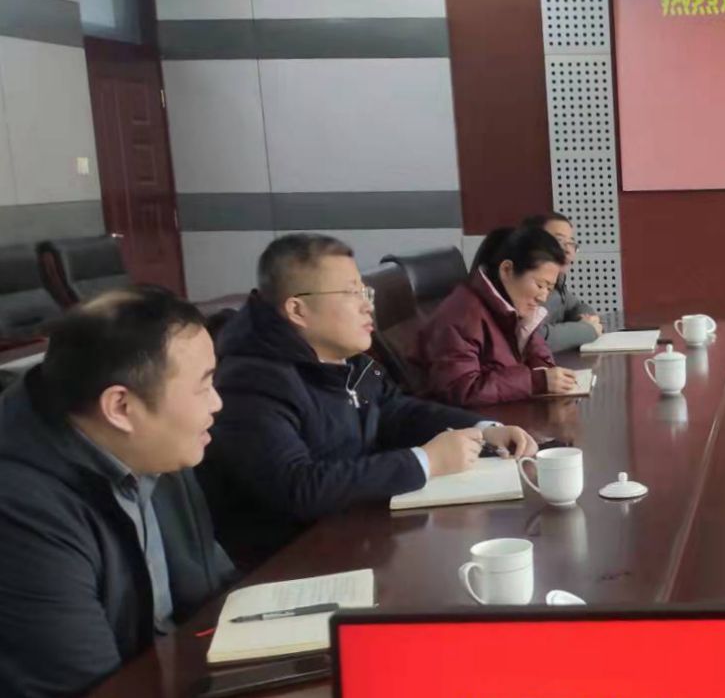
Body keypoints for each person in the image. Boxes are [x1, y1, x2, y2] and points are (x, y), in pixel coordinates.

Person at [199, 234, 537, 565]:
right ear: (298, 310)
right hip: (294, 563)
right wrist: (426, 461)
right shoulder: (252, 381)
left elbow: (395, 411)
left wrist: (483, 429)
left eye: (365, 292)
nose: (367, 306)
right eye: (351, 293)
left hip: (358, 535)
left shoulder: (343, 358)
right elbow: (298, 487)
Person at [0, 287, 235, 697]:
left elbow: (216, 585)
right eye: (204, 386)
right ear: (122, 408)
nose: (217, 403)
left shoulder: (156, 444)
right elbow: (85, 688)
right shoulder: (21, 512)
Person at [416, 222, 578, 405]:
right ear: (507, 270)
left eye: (549, 288)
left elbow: (536, 353)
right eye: (540, 285)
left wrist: (546, 373)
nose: (543, 297)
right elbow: (462, 388)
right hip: (468, 420)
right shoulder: (462, 315)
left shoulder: (511, 306)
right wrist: (537, 381)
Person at [533, 212, 604, 351]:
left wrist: (588, 319)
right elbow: (533, 338)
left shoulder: (558, 283)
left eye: (571, 243)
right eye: (559, 241)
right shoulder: (527, 285)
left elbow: (576, 306)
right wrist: (587, 330)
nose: (568, 250)